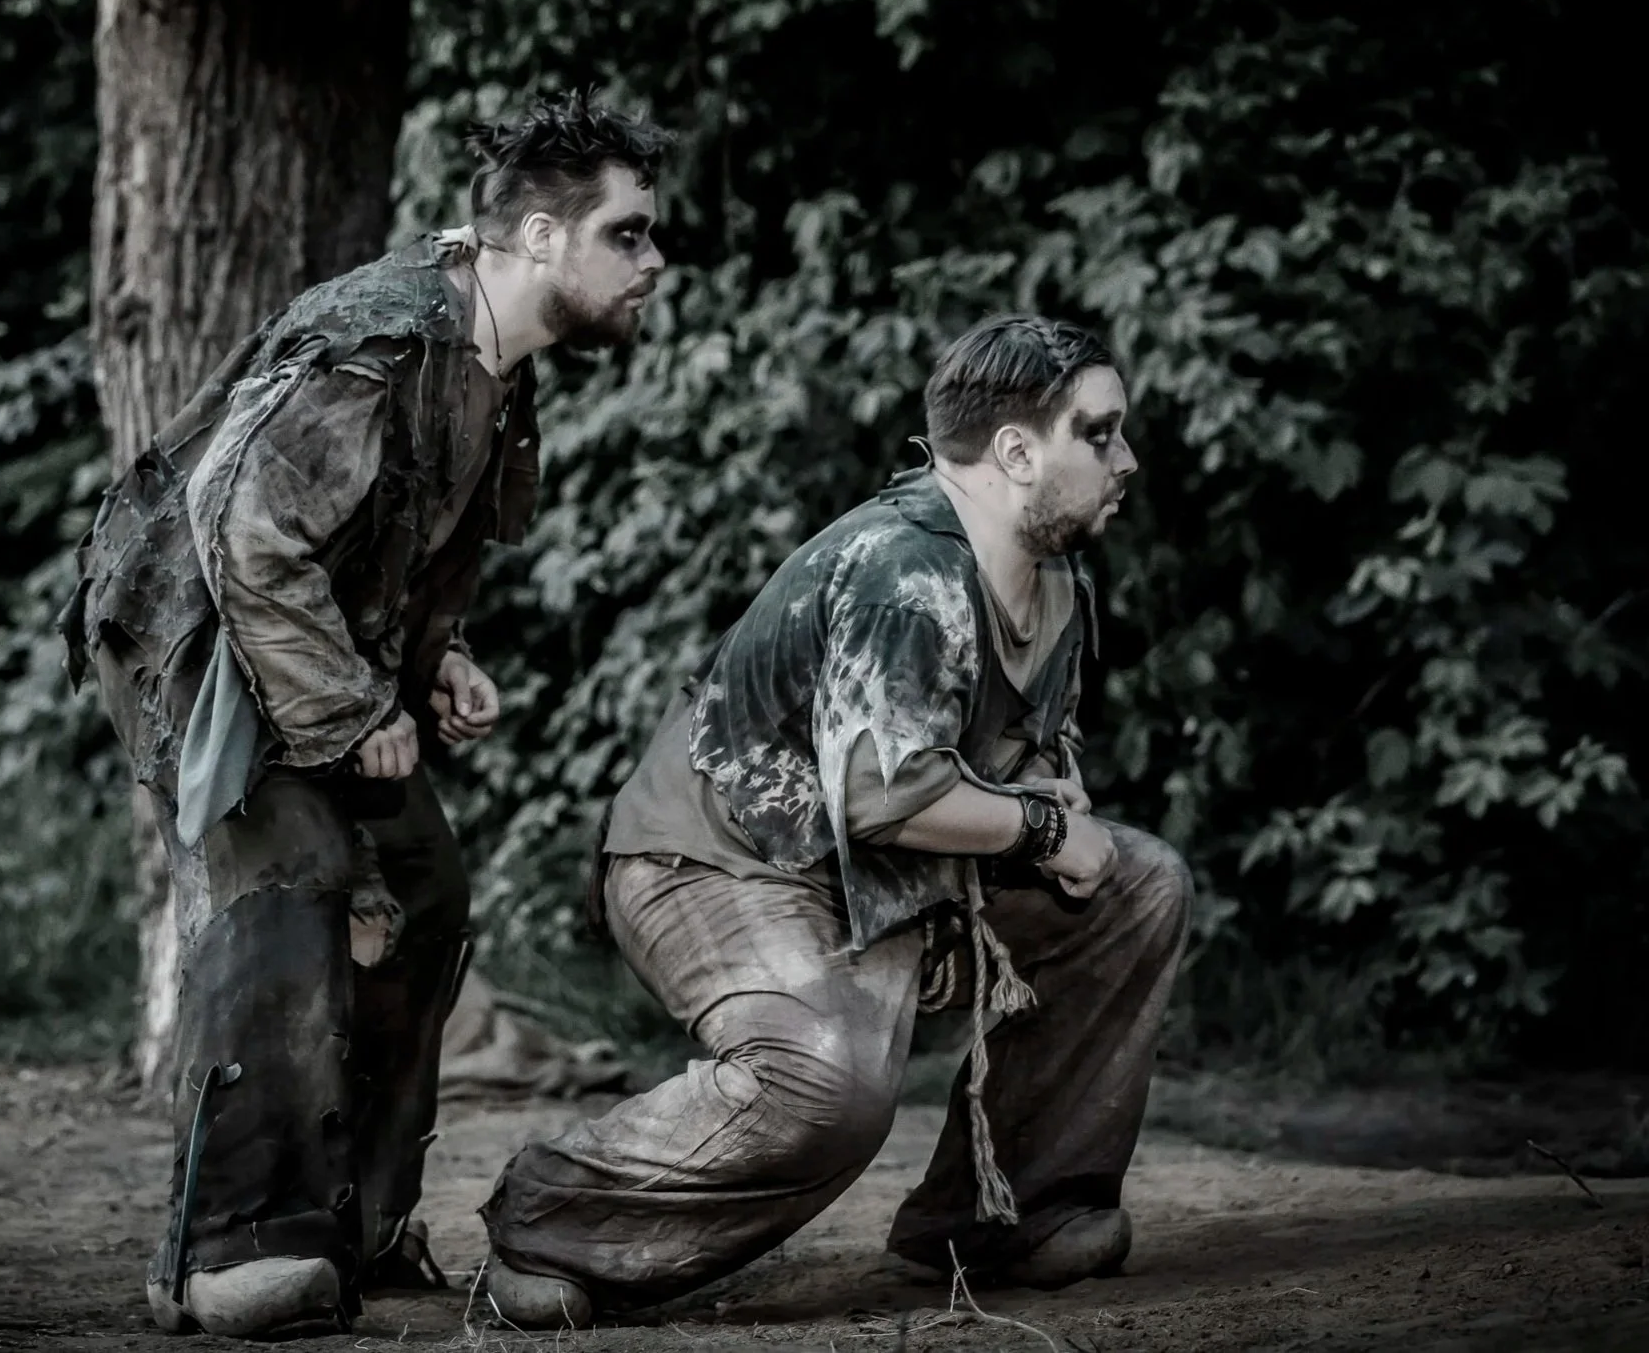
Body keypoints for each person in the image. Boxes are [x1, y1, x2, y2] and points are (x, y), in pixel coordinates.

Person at [62, 90, 671, 1338]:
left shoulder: (494, 363)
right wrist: (347, 708)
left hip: (306, 632)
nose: (654, 261)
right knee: (291, 871)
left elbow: (407, 536)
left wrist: (431, 660)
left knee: (425, 887)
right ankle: (235, 1244)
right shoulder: (383, 339)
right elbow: (244, 532)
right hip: (201, 633)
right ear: (542, 237)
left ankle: (363, 1230)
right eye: (630, 234)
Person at [479, 314, 1193, 1328]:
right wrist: (1037, 831)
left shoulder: (1052, 576)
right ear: (1016, 449)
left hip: (876, 865)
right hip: (715, 863)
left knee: (1136, 883)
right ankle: (553, 1220)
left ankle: (1004, 1214)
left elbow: (1003, 751)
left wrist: (1044, 793)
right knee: (828, 1084)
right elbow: (877, 794)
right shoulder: (906, 572)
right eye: (1100, 432)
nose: (1124, 459)